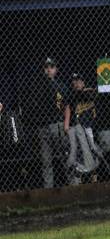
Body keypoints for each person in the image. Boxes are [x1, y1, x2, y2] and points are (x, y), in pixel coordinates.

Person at [21, 57, 69, 188]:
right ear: (43, 70)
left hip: (57, 124)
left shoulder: (61, 86)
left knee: (64, 157)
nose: (49, 69)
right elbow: (32, 105)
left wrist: (65, 123)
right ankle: (49, 189)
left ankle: (72, 185)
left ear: (56, 69)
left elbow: (67, 106)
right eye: (46, 67)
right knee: (46, 160)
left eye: (52, 67)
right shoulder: (37, 86)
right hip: (43, 126)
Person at [65, 72, 102, 183]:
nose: (76, 83)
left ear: (83, 82)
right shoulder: (71, 96)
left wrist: (81, 90)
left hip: (90, 128)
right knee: (81, 154)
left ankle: (94, 178)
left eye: (79, 80)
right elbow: (68, 107)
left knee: (93, 151)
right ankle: (79, 178)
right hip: (79, 128)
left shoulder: (89, 91)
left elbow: (90, 95)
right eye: (74, 81)